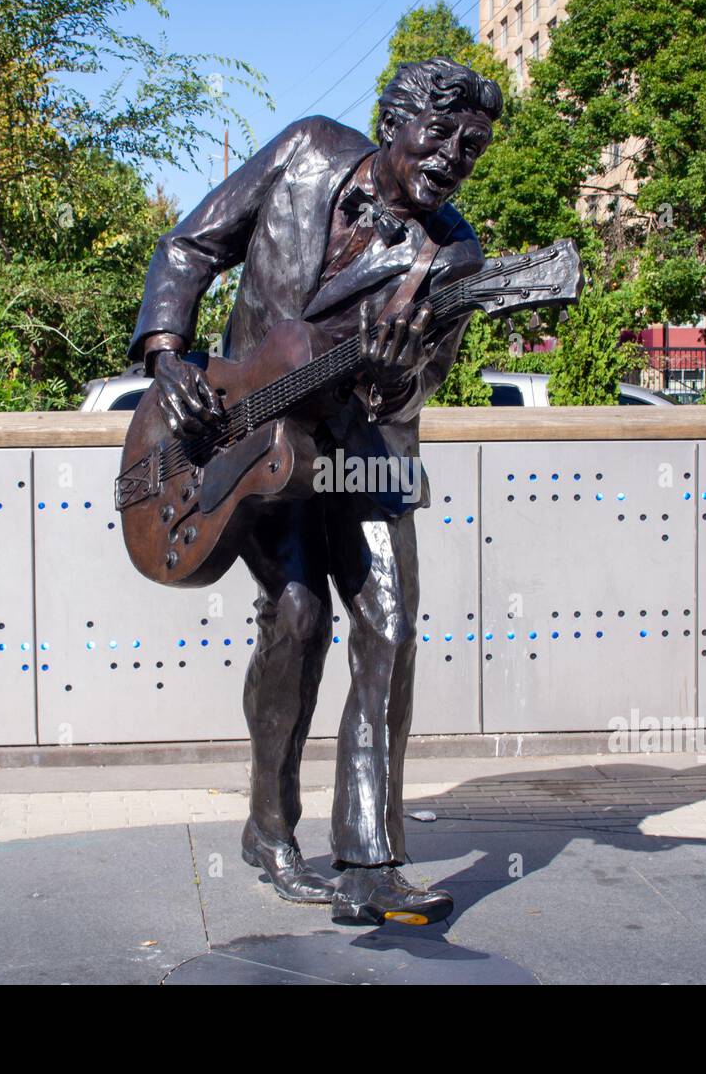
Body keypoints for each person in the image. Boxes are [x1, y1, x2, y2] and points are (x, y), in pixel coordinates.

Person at [128, 57, 501, 925]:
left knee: (392, 622)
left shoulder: (455, 255)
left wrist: (397, 371)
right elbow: (190, 246)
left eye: (471, 148)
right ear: (392, 120)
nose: (452, 157)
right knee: (298, 617)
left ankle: (370, 858)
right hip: (249, 432)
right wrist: (167, 357)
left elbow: (413, 389)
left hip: (365, 450)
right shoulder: (304, 151)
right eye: (439, 134)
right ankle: (269, 827)